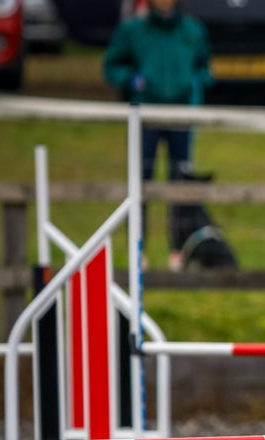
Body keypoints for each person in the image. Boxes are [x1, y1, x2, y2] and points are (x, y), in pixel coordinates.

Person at [103, 0, 214, 271]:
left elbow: (205, 68)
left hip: (182, 117)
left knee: (181, 184)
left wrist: (195, 82)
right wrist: (132, 81)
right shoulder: (133, 30)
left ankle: (178, 250)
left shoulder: (193, 30)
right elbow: (112, 66)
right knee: (141, 182)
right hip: (145, 117)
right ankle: (138, 251)